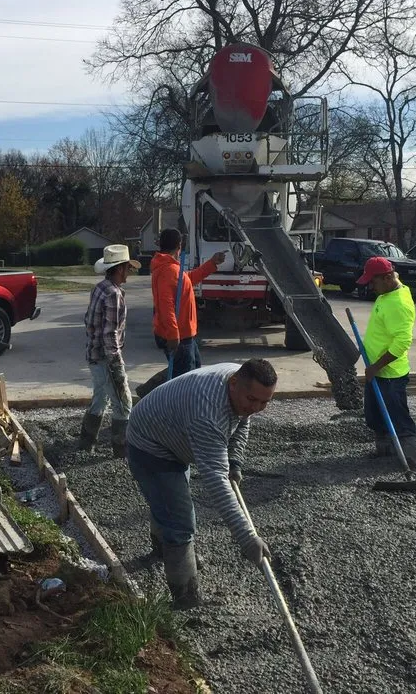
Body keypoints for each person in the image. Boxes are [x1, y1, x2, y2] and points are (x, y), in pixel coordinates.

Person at [126, 359, 277, 608]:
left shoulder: (240, 384)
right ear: (234, 383)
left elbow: (242, 419)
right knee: (180, 520)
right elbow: (216, 481)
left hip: (172, 432)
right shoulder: (208, 414)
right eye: (253, 400)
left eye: (265, 402)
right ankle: (185, 598)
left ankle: (162, 551)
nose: (257, 407)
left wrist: (235, 460)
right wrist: (247, 538)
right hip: (150, 446)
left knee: (168, 501)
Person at [135, 229, 226, 397]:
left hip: (184, 333)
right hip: (179, 334)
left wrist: (212, 263)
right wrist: (172, 334)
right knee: (184, 378)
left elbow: (188, 280)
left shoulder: (170, 267)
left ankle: (151, 391)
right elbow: (166, 304)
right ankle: (154, 395)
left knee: (191, 369)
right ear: (179, 246)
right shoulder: (168, 269)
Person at [356, 256, 416, 468]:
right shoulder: (390, 289)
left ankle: (412, 458)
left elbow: (403, 342)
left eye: (373, 282)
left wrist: (376, 366)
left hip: (390, 373)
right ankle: (385, 451)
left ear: (387, 278)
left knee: (399, 417)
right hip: (377, 370)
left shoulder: (398, 304)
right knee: (374, 415)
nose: (370, 287)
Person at [79, 244, 141, 457]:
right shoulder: (114, 294)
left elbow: (89, 321)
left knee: (99, 399)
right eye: (127, 268)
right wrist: (116, 363)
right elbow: (110, 333)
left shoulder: (99, 288)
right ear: (120, 268)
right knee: (123, 404)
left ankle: (86, 445)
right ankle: (121, 451)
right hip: (106, 358)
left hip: (94, 355)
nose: (129, 273)